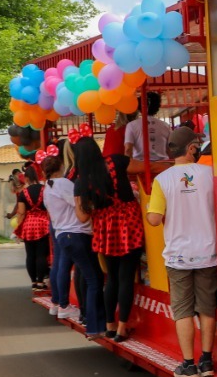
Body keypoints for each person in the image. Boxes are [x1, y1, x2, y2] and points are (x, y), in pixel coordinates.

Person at [146, 125, 217, 377]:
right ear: (191, 148)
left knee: (184, 311)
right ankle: (207, 361)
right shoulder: (210, 174)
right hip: (208, 252)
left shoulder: (162, 180)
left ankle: (188, 364)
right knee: (207, 308)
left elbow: (154, 219)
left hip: (178, 257)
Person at [72, 135, 145, 342]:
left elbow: (83, 217)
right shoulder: (116, 161)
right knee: (126, 276)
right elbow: (143, 167)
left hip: (105, 228)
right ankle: (123, 328)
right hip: (129, 223)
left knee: (112, 277)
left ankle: (109, 325)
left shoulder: (82, 181)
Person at [41, 148, 104, 337]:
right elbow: (79, 204)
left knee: (75, 272)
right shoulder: (64, 184)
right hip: (76, 234)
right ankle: (94, 326)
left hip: (63, 235)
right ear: (61, 165)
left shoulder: (48, 188)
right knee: (94, 280)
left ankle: (65, 305)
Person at [10, 161, 51, 291]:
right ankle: (40, 282)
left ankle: (33, 282)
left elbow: (21, 212)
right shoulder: (45, 190)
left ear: (26, 178)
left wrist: (18, 230)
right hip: (43, 224)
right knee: (41, 254)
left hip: (28, 225)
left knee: (30, 255)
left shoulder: (23, 193)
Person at [125, 91, 172, 172]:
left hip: (141, 167)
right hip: (162, 167)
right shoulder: (166, 126)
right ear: (157, 107)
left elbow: (128, 150)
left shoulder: (131, 125)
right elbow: (170, 149)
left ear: (139, 107)